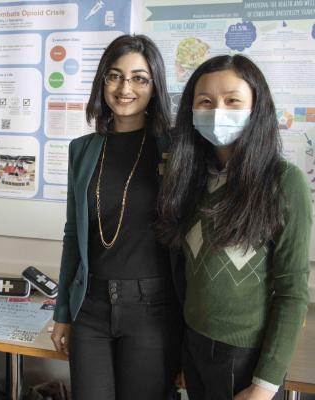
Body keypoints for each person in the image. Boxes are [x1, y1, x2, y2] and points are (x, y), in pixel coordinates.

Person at [157, 54, 311, 400]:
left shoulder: (286, 183)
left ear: (256, 107)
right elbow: (186, 278)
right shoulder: (189, 180)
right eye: (205, 101)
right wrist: (185, 354)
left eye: (232, 101)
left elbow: (292, 294)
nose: (217, 111)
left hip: (244, 359)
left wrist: (264, 384)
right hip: (194, 345)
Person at [51, 34, 182, 400]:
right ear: (102, 81)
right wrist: (63, 311)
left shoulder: (175, 149)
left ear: (155, 86)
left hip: (152, 309)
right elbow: (72, 234)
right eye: (115, 75)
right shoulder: (83, 150)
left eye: (139, 78)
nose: (125, 87)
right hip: (90, 307)